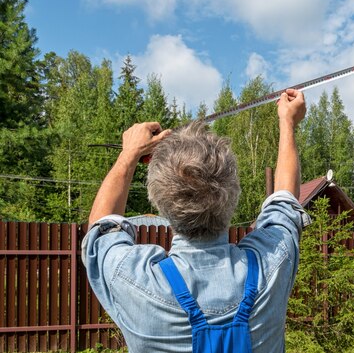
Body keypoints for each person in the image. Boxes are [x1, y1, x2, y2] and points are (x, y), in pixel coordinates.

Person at [82, 89, 308, 353]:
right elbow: (283, 200)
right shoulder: (272, 263)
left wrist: (129, 155)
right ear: (233, 194)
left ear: (158, 199)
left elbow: (102, 227)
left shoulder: (133, 279)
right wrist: (287, 123)